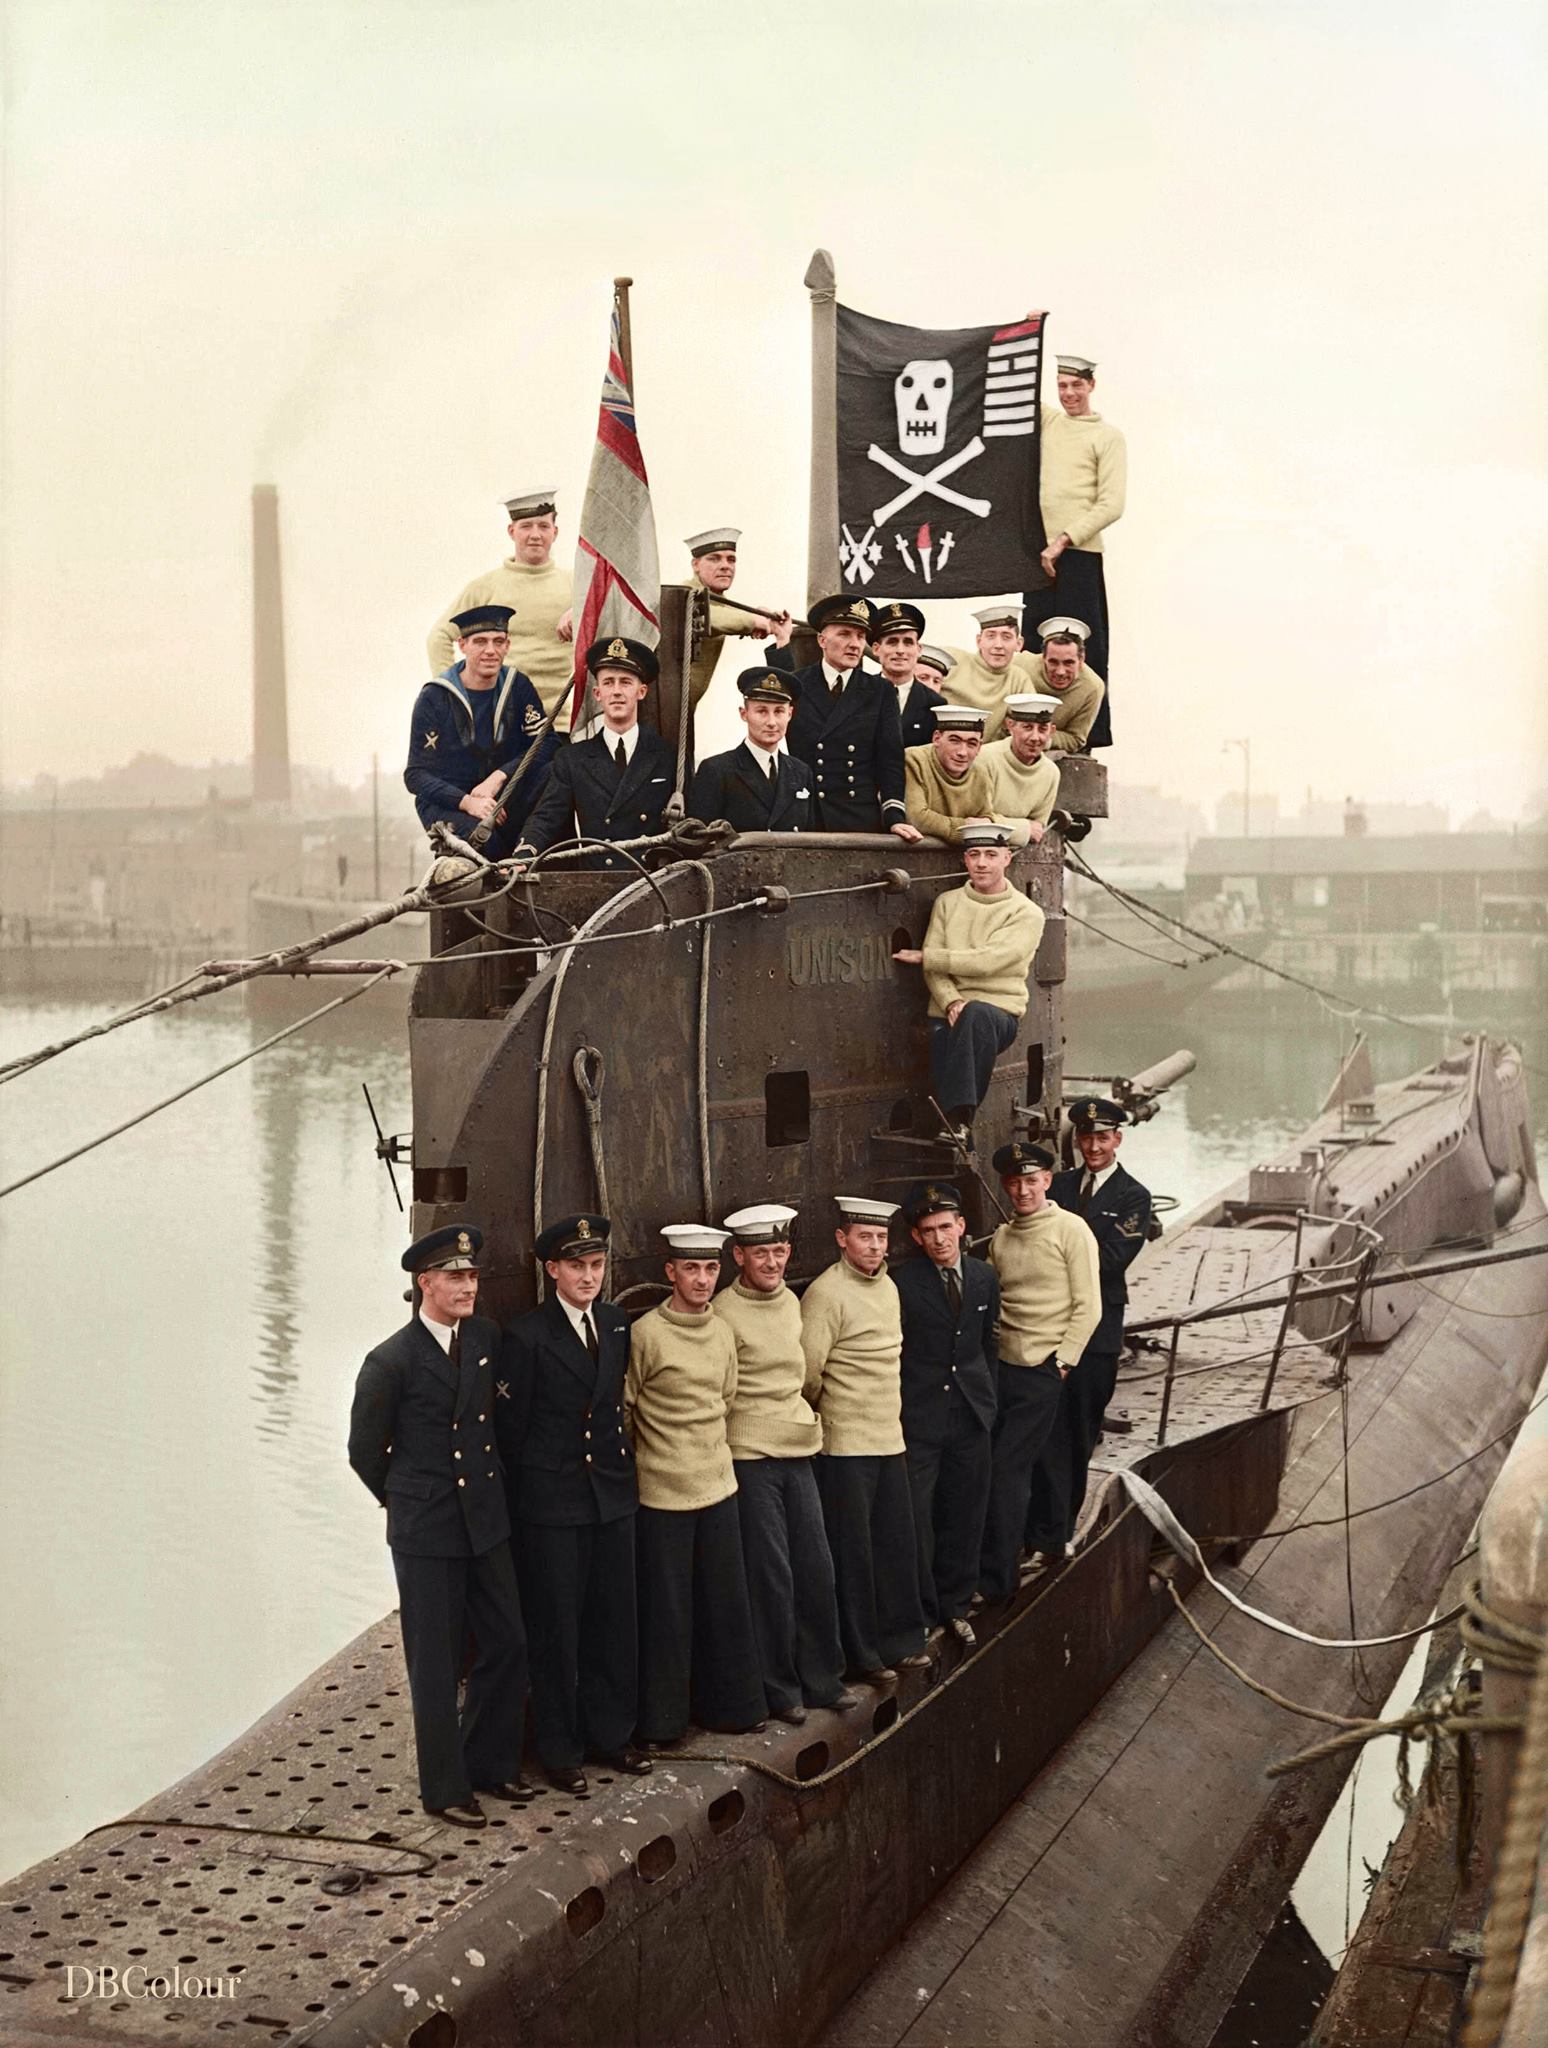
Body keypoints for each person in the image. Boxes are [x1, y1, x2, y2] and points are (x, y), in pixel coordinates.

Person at [347, 1226, 528, 1829]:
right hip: (428, 1530)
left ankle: (489, 1763)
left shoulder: (483, 1338)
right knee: (436, 1662)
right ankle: (445, 1789)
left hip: (485, 1519)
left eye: (472, 1277)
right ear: (425, 1283)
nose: (468, 1287)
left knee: (507, 1642)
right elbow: (364, 1452)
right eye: (455, 1277)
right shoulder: (391, 1361)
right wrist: (408, 1500)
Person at [496, 1214, 650, 1795]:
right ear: (552, 1270)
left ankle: (612, 1735)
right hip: (554, 1503)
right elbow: (512, 1433)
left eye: (596, 1265)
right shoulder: (527, 1337)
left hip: (610, 1495)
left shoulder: (614, 1324)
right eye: (577, 1266)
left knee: (614, 1621)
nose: (589, 1277)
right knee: (557, 1629)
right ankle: (560, 1750)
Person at [713, 1203, 858, 1724]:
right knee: (771, 1576)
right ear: (739, 1257)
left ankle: (823, 1679)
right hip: (751, 1459)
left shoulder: (792, 1303)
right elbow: (723, 1392)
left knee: (816, 1568)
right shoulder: (724, 1313)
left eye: (779, 1252)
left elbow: (806, 1377)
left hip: (798, 1451)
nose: (772, 1263)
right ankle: (781, 1689)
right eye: (761, 1254)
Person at [625, 1225, 766, 1745]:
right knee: (669, 1610)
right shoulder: (646, 1334)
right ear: (671, 1272)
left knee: (724, 1602)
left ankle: (730, 1708)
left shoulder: (722, 1331)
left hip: (717, 1486)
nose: (702, 1279)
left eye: (710, 1269)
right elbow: (627, 1408)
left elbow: (725, 1398)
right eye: (691, 1269)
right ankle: (664, 1723)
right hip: (663, 1494)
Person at [800, 1196, 929, 1682]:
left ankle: (900, 1642)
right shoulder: (825, 1294)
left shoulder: (888, 1288)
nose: (874, 1246)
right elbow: (808, 1374)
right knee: (853, 1553)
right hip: (846, 1446)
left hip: (888, 1438)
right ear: (842, 1239)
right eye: (864, 1237)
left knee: (895, 1545)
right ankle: (862, 1655)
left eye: (880, 1237)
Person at [1024, 1099, 1152, 1561]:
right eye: (1086, 1137)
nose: (1093, 1147)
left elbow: (1113, 1261)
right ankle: (1031, 1531)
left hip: (1096, 1335)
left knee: (1076, 1436)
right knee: (1040, 1434)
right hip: (1045, 1329)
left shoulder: (1133, 1196)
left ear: (1117, 1139)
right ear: (1076, 1139)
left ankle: (1055, 1536)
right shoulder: (1056, 1185)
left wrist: (1051, 1257)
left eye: (1102, 1138)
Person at [977, 1141, 1100, 1603]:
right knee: (1029, 1460)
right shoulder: (1003, 1238)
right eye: (1014, 1183)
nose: (1023, 1190)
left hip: (1044, 1367)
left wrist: (1063, 1362)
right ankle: (1037, 1544)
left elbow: (1088, 1306)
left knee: (1005, 1469)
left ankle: (998, 1578)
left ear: (1048, 1180)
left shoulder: (1071, 1230)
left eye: (1031, 1181)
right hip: (1003, 1366)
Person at [892, 820, 1046, 1146]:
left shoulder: (1026, 913)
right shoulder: (947, 903)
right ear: (965, 860)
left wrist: (927, 957)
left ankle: (959, 1121)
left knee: (975, 1014)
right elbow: (936, 973)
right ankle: (958, 1144)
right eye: (974, 855)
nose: (981, 863)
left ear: (1007, 858)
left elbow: (989, 961)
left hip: (997, 1015)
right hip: (948, 1013)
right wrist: (951, 1001)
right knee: (954, 1032)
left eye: (991, 854)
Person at [894, 1181, 999, 1648]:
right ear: (916, 1237)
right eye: (928, 1231)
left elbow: (987, 1345)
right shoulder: (903, 1284)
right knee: (918, 1518)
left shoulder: (983, 1277)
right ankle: (920, 1611)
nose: (939, 1238)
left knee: (965, 1512)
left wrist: (987, 1402)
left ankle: (955, 1604)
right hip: (921, 1418)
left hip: (970, 1415)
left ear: (961, 1226)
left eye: (945, 1227)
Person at [403, 605, 556, 857]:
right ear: (462, 645)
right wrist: (468, 803)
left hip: (500, 795)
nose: (490, 651)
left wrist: (499, 777)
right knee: (486, 844)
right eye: (480, 642)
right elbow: (416, 775)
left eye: (498, 642)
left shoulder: (517, 685)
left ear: (507, 645)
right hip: (450, 803)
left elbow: (546, 742)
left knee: (556, 771)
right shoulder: (435, 696)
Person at [515, 637, 677, 872]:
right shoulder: (572, 759)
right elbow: (546, 817)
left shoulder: (668, 756)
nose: (617, 691)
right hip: (596, 878)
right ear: (597, 693)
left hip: (653, 878)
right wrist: (523, 855)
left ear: (641, 692)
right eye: (609, 683)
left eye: (626, 683)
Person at [1031, 357, 1125, 747]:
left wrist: (1063, 540)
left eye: (1076, 385)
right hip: (1038, 557)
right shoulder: (1050, 422)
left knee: (1083, 650)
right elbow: (1017, 386)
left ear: (1091, 385)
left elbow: (1112, 504)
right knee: (1035, 647)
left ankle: (1085, 738)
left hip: (1079, 555)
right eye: (1062, 385)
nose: (1068, 393)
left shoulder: (1108, 437)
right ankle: (1031, 730)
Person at [427, 490, 576, 729]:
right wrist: (454, 698)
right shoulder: (486, 586)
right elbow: (439, 637)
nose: (535, 535)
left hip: (561, 725)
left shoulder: (576, 585)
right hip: (501, 727)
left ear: (555, 532)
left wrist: (579, 610)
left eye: (543, 526)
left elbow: (611, 622)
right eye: (526, 526)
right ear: (511, 531)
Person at [778, 594, 920, 837]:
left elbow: (890, 760)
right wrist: (782, 641)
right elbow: (773, 694)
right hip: (807, 815)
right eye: (845, 634)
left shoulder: (880, 690)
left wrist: (894, 817)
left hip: (858, 817)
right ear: (822, 640)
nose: (855, 644)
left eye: (861, 636)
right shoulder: (799, 684)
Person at [688, 668, 812, 833]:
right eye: (762, 711)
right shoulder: (717, 771)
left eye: (779, 711)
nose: (771, 722)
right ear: (744, 713)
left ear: (789, 714)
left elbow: (810, 838)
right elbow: (699, 838)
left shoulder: (801, 773)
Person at [684, 528, 794, 709]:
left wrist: (776, 631)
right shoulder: (684, 594)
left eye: (731, 559)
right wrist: (754, 620)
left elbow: (726, 614)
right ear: (695, 565)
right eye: (714, 559)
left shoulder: (720, 603)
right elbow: (707, 616)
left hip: (683, 709)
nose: (725, 566)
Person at [903, 702, 1032, 848]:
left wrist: (969, 827)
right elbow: (916, 818)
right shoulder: (914, 760)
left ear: (979, 747)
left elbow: (984, 820)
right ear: (937, 738)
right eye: (954, 741)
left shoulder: (980, 773)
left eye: (971, 743)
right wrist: (965, 827)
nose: (962, 752)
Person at [938, 605, 1044, 740]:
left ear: (1019, 644)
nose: (998, 645)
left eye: (1006, 637)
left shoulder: (1018, 679)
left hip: (985, 751)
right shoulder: (952, 661)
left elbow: (1032, 728)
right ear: (979, 641)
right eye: (991, 636)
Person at [978, 693, 1062, 843]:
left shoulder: (1051, 772)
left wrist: (998, 822)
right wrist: (1023, 829)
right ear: (1010, 725)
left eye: (1042, 729)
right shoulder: (985, 758)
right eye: (1027, 727)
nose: (1035, 737)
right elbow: (977, 821)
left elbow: (1037, 830)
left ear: (1052, 731)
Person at [868, 600, 940, 749]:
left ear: (918, 649)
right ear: (876, 649)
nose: (900, 650)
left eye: (908, 642)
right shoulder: (855, 693)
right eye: (892, 642)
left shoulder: (935, 704)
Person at [1028, 618, 1106, 755]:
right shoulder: (1021, 666)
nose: (1060, 672)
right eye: (1053, 662)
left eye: (1068, 663)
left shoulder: (1093, 687)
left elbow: (1076, 738)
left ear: (1081, 660)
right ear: (1043, 657)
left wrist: (1041, 738)